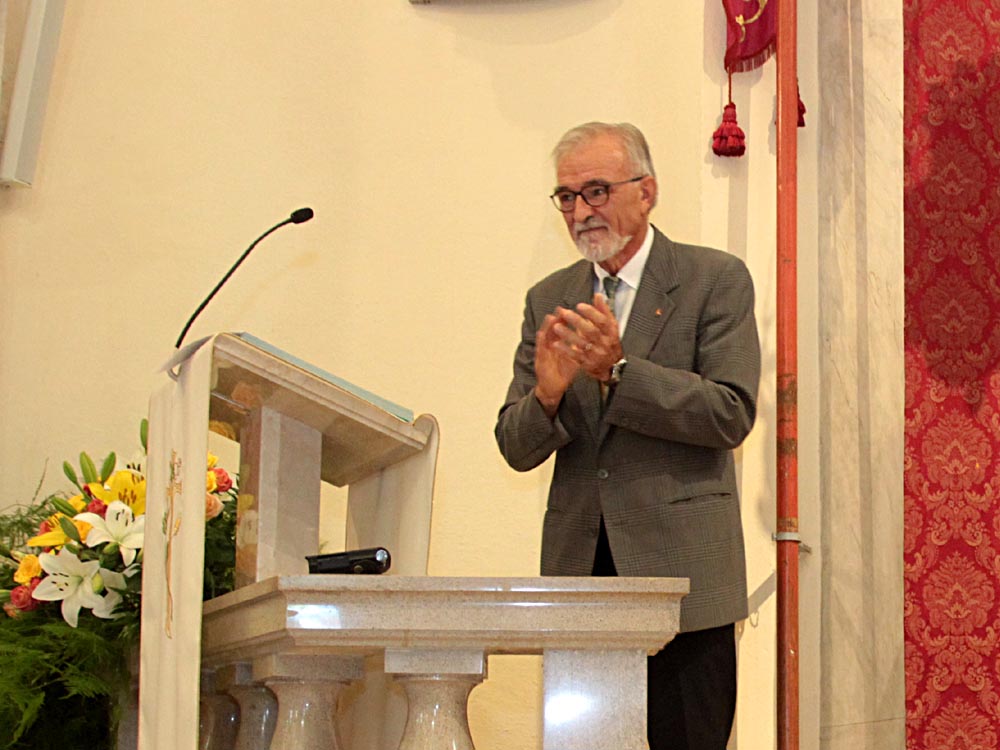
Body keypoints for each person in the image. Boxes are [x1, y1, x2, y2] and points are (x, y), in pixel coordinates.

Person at [495, 122, 761, 750]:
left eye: (597, 190)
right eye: (567, 196)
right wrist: (548, 396)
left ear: (647, 192)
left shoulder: (713, 279)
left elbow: (730, 413)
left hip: (684, 578)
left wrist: (618, 373)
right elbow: (515, 445)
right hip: (582, 579)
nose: (581, 211)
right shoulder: (550, 298)